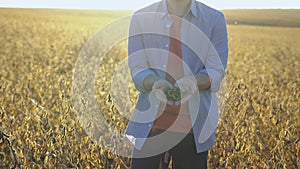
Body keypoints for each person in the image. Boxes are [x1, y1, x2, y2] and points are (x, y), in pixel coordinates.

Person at [125, 0, 228, 168]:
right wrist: (156, 83)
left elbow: (216, 69)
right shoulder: (140, 17)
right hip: (150, 128)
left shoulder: (214, 19)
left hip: (194, 132)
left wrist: (193, 82)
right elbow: (137, 68)